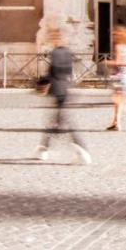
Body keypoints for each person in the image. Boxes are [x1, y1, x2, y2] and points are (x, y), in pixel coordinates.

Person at [37, 29, 93, 164]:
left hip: (57, 89)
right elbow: (70, 71)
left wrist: (41, 83)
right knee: (55, 121)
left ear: (53, 39)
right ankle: (43, 148)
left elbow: (53, 72)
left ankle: (82, 149)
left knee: (64, 122)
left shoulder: (55, 53)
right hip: (66, 88)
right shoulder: (67, 52)